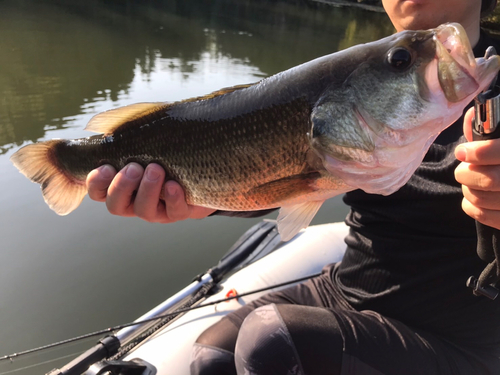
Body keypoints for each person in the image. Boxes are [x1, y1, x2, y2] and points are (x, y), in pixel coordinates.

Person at [86, 0, 500, 373]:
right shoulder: (353, 75)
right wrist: (202, 199)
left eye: (401, 61)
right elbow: (294, 176)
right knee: (214, 355)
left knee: (272, 341)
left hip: (456, 342)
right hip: (347, 290)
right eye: (401, 59)